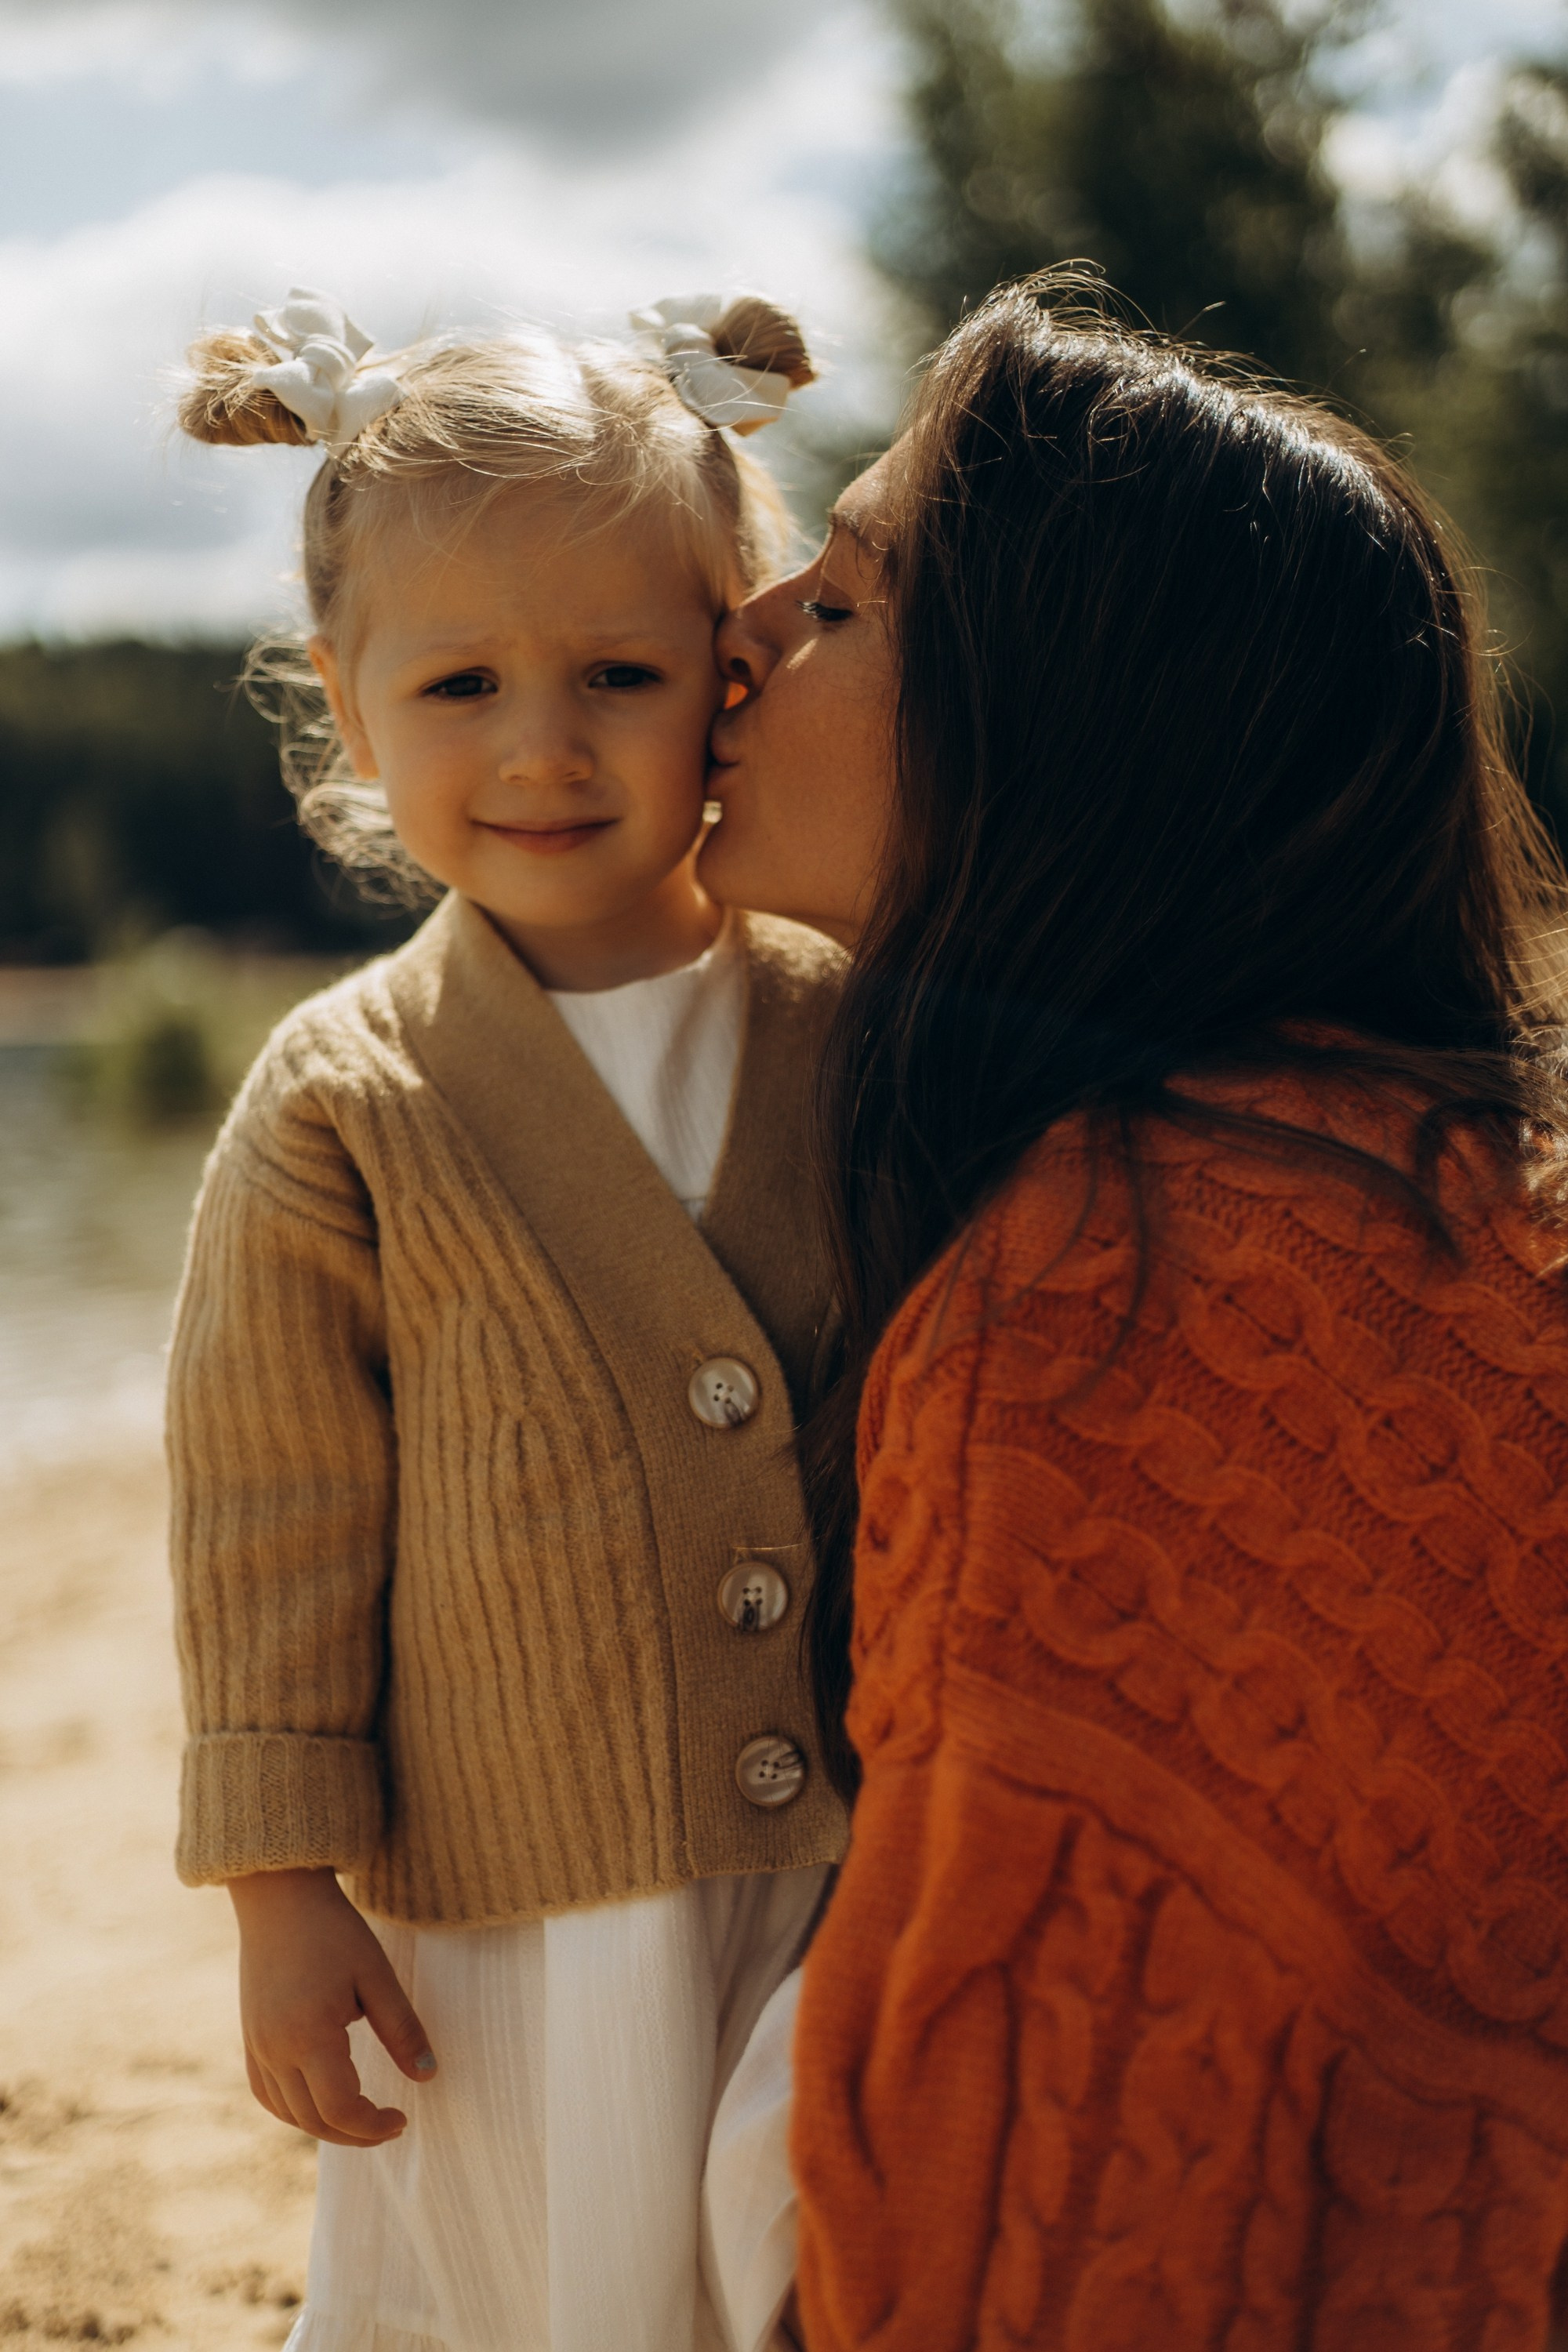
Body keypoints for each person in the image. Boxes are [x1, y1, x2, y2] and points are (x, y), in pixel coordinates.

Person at [699, 274, 1568, 2347]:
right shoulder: (1435, 1182)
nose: (743, 630)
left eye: (845, 598)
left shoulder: (1118, 1295)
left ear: (1066, 743)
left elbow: (1054, 2197)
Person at [165, 285, 847, 2352]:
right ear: (347, 709)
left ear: (729, 674)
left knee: (793, 2260)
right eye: (459, 683)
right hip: (506, 1905)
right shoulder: (346, 1099)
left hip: (840, 1851)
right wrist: (285, 1902)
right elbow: (273, 1516)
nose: (544, 747)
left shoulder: (842, 1024)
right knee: (530, 2284)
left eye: (619, 672)